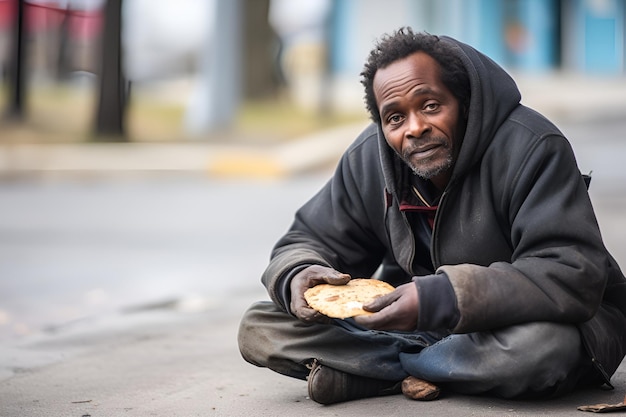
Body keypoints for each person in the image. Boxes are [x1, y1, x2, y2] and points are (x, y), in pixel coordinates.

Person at [237, 28, 626, 405]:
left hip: (532, 324)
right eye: (395, 118)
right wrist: (299, 273)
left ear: (464, 101)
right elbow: (308, 238)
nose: (415, 128)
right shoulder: (368, 161)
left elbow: (571, 274)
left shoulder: (532, 147)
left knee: (541, 350)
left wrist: (442, 297)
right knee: (261, 326)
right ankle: (429, 369)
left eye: (430, 106)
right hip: (423, 328)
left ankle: (375, 372)